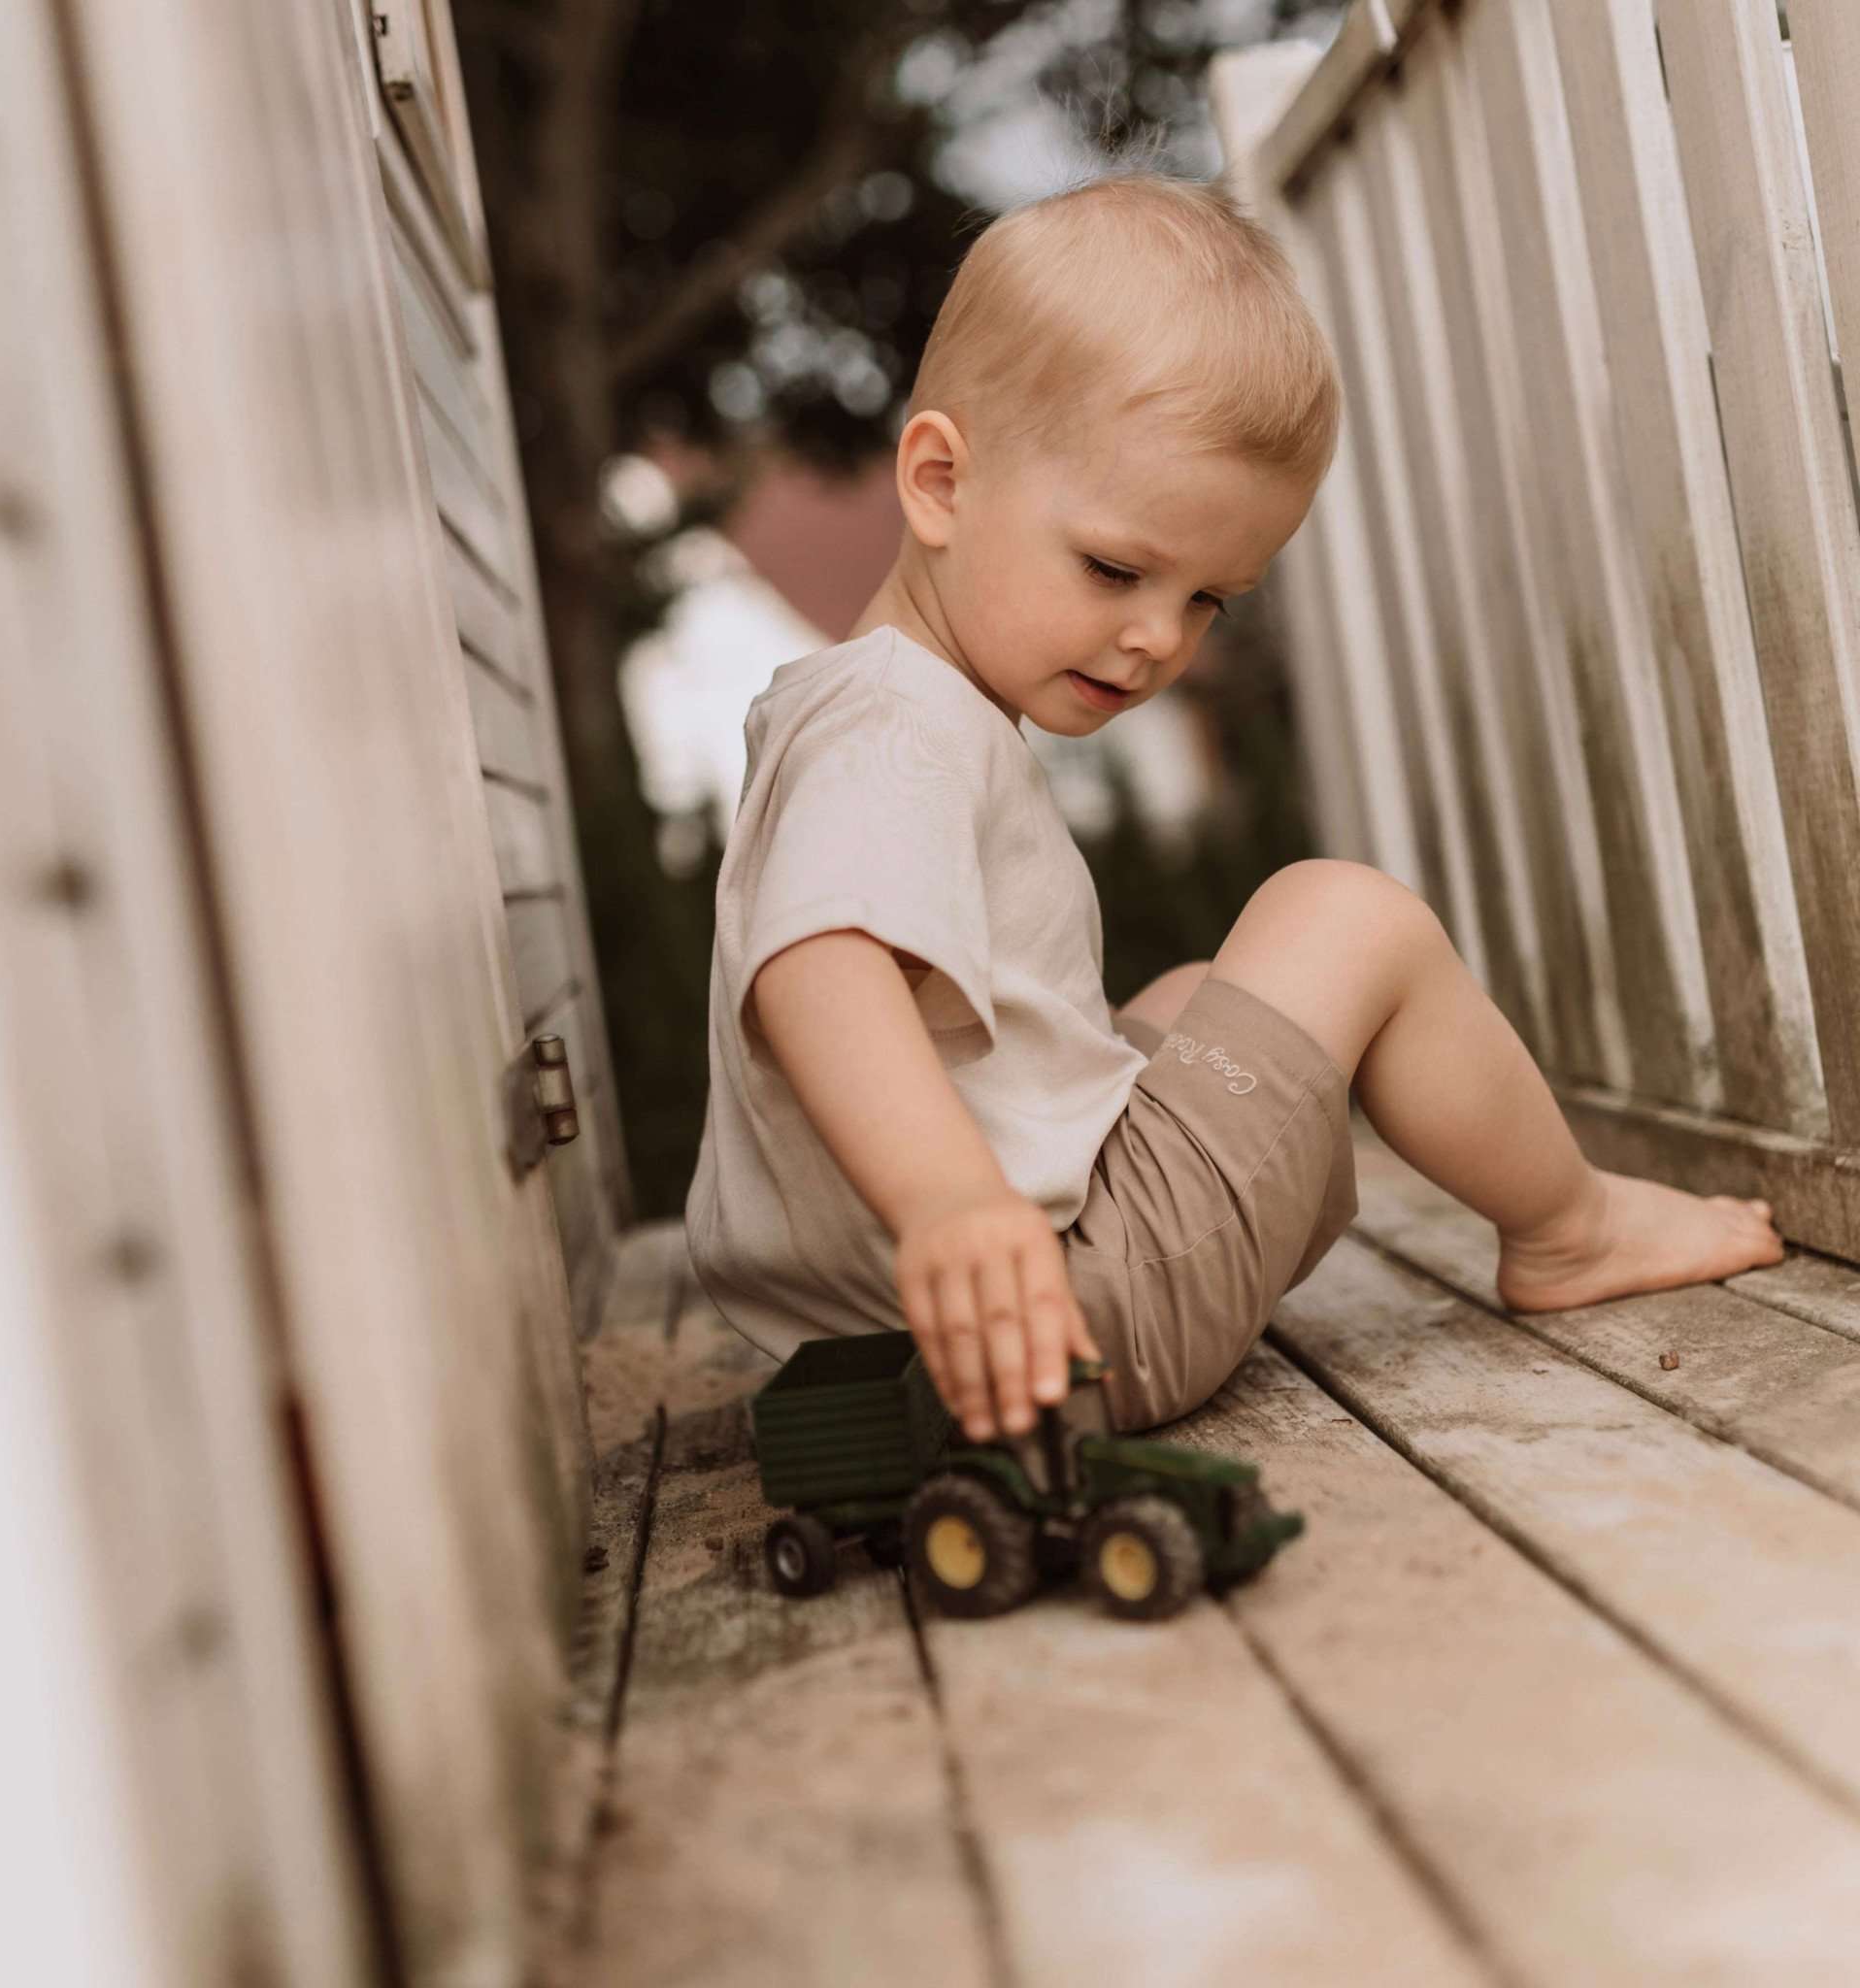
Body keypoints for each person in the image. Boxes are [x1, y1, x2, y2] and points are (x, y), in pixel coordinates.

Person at [682, 169, 1783, 1441]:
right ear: (935, 480)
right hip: (1055, 1319)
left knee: (1196, 998)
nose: (1157, 638)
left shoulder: (858, 705)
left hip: (902, 1337)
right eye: (1115, 567)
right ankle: (1571, 1228)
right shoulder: (895, 730)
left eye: (1209, 598)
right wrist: (953, 1207)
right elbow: (816, 963)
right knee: (1345, 917)